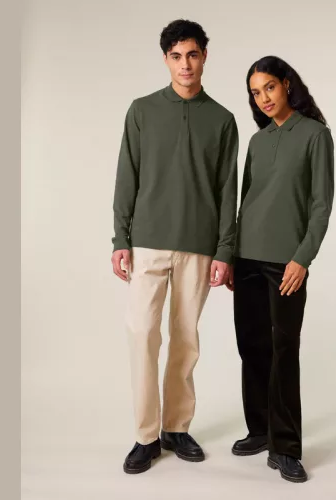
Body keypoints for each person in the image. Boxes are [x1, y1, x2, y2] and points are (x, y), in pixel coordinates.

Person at [111, 19, 239, 474]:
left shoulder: (222, 120)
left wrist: (225, 250)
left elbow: (228, 189)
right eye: (176, 56)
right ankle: (146, 436)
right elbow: (127, 175)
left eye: (193, 55)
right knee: (142, 333)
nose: (185, 64)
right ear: (166, 59)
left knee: (186, 339)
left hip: (199, 246)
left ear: (204, 56)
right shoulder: (142, 111)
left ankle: (176, 427)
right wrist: (121, 238)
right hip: (147, 242)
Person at [230, 55, 334, 483]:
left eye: (269, 87)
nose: (264, 98)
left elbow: (321, 206)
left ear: (287, 84)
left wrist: (302, 259)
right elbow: (246, 200)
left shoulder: (315, 135)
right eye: (256, 93)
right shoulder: (257, 141)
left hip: (286, 263)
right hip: (246, 257)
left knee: (284, 350)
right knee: (252, 346)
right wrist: (231, 254)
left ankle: (286, 447)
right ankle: (260, 429)